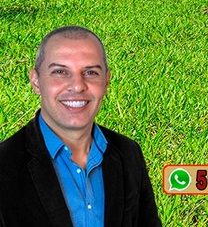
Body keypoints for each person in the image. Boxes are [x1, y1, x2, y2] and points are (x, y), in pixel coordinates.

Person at [0, 26, 162, 227]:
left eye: (90, 72)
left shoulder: (129, 153)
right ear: (36, 81)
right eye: (60, 72)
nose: (77, 86)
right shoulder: (4, 164)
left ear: (106, 81)